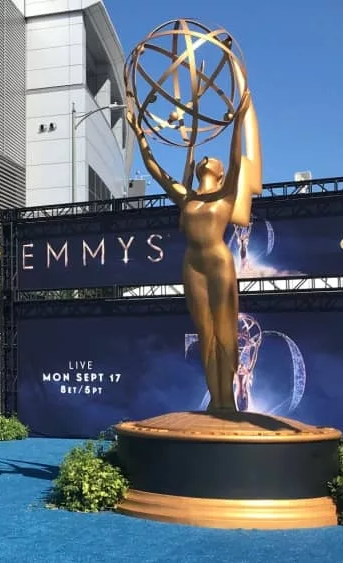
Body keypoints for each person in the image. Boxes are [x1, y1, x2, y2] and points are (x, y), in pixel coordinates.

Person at [126, 61, 262, 411]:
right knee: (205, 333)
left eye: (212, 161)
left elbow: (236, 159)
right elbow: (155, 168)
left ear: (217, 174)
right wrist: (139, 134)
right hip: (192, 265)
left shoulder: (227, 193)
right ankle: (215, 399)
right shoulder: (186, 197)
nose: (207, 159)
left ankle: (228, 401)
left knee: (226, 332)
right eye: (204, 158)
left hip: (218, 261)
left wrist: (236, 122)